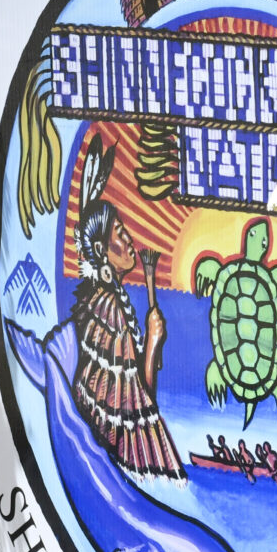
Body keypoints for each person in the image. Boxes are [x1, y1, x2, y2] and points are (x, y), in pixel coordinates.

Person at [69, 145, 185, 479]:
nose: (130, 241)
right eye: (120, 234)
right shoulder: (109, 312)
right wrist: (152, 343)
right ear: (100, 251)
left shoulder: (102, 301)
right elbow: (136, 405)